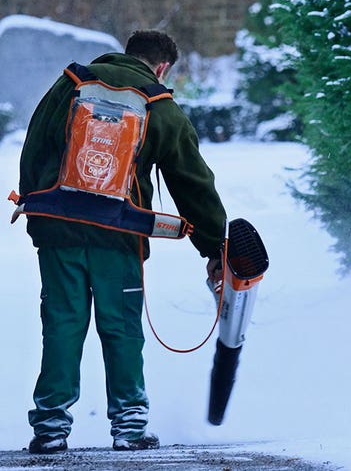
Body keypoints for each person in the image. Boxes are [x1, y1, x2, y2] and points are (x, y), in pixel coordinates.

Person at [15, 30, 226, 454]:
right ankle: (129, 428)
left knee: (62, 323)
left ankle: (51, 427)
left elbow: (35, 144)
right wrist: (214, 247)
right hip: (119, 234)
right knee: (121, 328)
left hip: (58, 229)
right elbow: (192, 183)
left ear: (127, 52)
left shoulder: (71, 84)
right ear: (162, 67)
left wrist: (38, 211)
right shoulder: (159, 106)